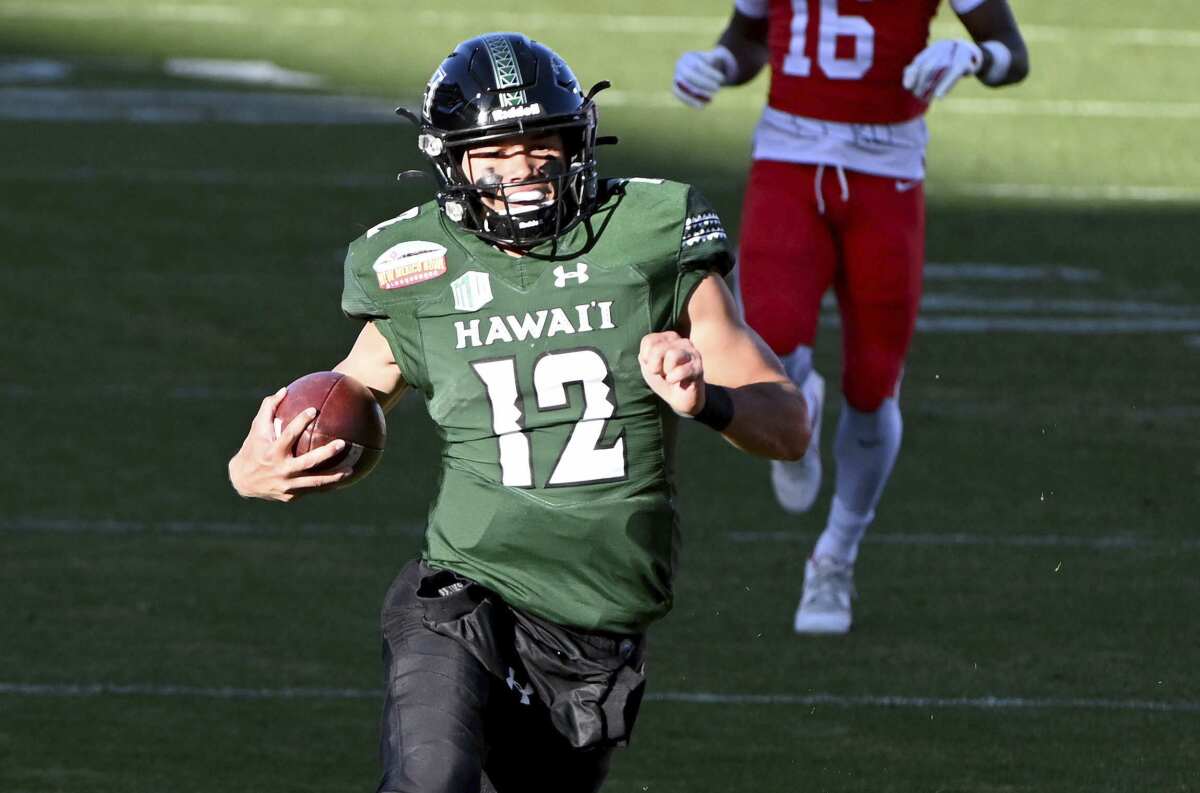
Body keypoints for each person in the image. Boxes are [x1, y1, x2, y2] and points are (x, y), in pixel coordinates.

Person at [228, 32, 809, 793]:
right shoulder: (415, 265)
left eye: (542, 147)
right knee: (430, 783)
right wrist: (253, 465)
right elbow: (351, 390)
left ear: (580, 144)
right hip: (464, 596)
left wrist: (708, 400)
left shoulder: (651, 234)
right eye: (495, 153)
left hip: (595, 636)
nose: (523, 173)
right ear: (451, 160)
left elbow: (789, 427)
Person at [673, 0, 1029, 634]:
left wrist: (974, 56)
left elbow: (1012, 54)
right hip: (787, 159)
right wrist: (717, 64)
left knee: (872, 383)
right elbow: (748, 41)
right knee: (769, 346)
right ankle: (796, 423)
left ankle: (835, 554)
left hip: (886, 173)